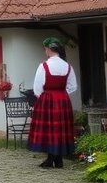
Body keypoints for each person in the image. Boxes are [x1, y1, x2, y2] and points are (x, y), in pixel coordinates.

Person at [27, 37, 78, 167]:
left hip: (47, 98)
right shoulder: (67, 66)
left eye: (45, 49)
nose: (45, 51)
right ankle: (57, 158)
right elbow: (73, 86)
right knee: (60, 128)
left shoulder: (44, 66)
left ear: (49, 49)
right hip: (63, 99)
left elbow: (37, 87)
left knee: (49, 128)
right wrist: (62, 94)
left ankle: (51, 158)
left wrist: (43, 97)